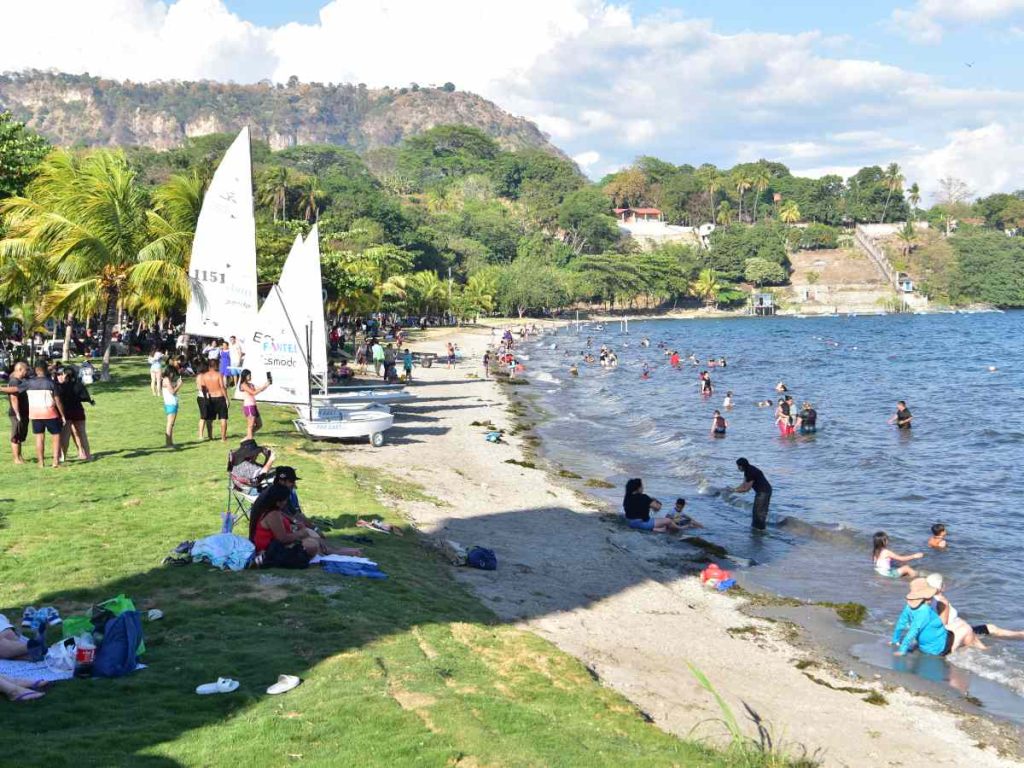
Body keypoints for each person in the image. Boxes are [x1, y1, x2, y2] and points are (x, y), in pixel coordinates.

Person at [249, 485, 363, 564]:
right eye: (285, 500)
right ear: (278, 501)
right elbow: (282, 538)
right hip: (270, 550)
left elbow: (290, 521)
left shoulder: (276, 511)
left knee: (314, 540)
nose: (286, 502)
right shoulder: (272, 515)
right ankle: (340, 553)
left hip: (276, 546)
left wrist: (298, 527)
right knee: (312, 544)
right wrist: (300, 533)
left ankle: (339, 552)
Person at [927, 573, 1024, 646]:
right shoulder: (942, 602)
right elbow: (943, 625)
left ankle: (1019, 634)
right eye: (943, 583)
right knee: (991, 629)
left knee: (990, 628)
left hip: (956, 632)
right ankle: (1019, 634)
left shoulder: (929, 600)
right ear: (941, 587)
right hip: (956, 634)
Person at [20, 362, 66, 468]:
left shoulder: (29, 383)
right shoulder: (51, 383)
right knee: (56, 436)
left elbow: (15, 389)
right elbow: (58, 401)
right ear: (46, 369)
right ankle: (55, 462)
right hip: (50, 413)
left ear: (36, 370)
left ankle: (41, 463)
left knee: (39, 438)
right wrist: (63, 415)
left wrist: (2, 388)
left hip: (35, 414)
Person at [891, 578, 953, 657]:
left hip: (923, 644)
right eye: (931, 596)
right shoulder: (925, 610)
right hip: (937, 649)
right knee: (959, 631)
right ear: (927, 598)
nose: (932, 598)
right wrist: (902, 650)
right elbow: (913, 630)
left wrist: (895, 640)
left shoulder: (908, 607)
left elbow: (901, 623)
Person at [55, 366, 93, 462]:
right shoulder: (78, 385)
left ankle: (63, 456)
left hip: (67, 411)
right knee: (82, 434)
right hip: (78, 411)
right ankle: (88, 455)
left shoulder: (61, 386)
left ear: (66, 375)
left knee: (65, 435)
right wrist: (90, 401)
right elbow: (85, 397)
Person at [196, 359, 229, 442]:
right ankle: (223, 438)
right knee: (223, 418)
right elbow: (222, 387)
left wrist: (205, 398)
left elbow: (203, 388)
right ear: (215, 365)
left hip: (210, 398)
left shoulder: (204, 376)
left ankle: (210, 436)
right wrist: (226, 398)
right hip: (219, 397)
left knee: (209, 419)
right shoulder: (218, 374)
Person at [3, 361, 29, 465]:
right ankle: (16, 459)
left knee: (20, 435)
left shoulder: (20, 381)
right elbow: (14, 398)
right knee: (15, 436)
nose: (27, 371)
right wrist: (17, 413)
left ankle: (19, 456)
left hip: (23, 412)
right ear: (20, 369)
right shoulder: (14, 381)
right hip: (16, 413)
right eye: (26, 369)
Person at [735, 458, 772, 530]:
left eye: (738, 466)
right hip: (763, 491)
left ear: (741, 466)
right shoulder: (748, 470)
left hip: (763, 492)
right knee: (757, 512)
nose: (738, 468)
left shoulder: (750, 472)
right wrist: (733, 489)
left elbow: (746, 489)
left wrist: (734, 491)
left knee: (759, 513)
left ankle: (759, 531)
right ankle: (757, 530)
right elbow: (743, 484)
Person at [238, 369, 271, 441]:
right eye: (249, 375)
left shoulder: (251, 384)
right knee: (250, 425)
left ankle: (247, 437)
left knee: (259, 424)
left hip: (254, 406)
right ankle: (249, 440)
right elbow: (253, 393)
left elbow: (259, 389)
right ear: (245, 376)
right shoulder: (243, 385)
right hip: (249, 406)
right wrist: (262, 388)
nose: (250, 376)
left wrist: (266, 384)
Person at [161, 358, 183, 448]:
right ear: (170, 372)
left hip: (171, 403)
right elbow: (172, 392)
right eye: (173, 373)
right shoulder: (166, 379)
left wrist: (176, 384)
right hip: (171, 403)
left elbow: (171, 389)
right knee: (170, 424)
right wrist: (179, 385)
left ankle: (170, 442)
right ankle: (168, 443)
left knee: (171, 424)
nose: (173, 375)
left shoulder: (166, 379)